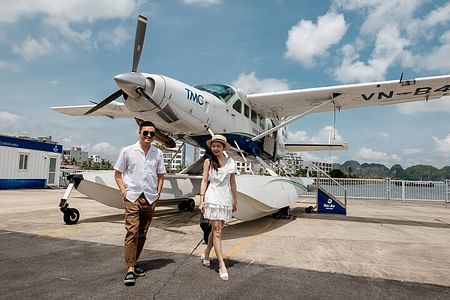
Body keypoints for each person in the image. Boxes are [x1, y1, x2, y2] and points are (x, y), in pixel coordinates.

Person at [114, 121, 166, 286]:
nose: (149, 136)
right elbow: (117, 174)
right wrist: (124, 191)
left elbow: (161, 175)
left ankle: (134, 262)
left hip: (150, 198)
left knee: (142, 233)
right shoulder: (128, 151)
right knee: (132, 231)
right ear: (139, 133)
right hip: (132, 197)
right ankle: (130, 269)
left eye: (152, 133)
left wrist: (158, 193)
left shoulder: (158, 153)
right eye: (146, 133)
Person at [198, 134, 237, 281]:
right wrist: (201, 199)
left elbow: (233, 183)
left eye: (218, 146)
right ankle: (221, 264)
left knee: (216, 230)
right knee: (218, 232)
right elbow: (204, 181)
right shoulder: (208, 162)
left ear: (223, 148)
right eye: (213, 146)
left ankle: (207, 252)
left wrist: (235, 200)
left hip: (225, 197)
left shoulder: (231, 163)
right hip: (212, 196)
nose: (215, 148)